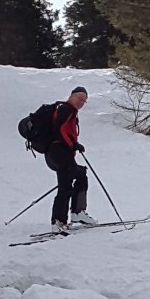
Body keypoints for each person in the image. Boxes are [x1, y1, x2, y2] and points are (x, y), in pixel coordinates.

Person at [45, 86, 90, 231]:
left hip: (58, 154)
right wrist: (72, 144)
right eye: (80, 98)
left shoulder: (70, 111)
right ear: (72, 96)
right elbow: (60, 129)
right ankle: (58, 221)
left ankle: (78, 212)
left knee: (81, 174)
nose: (81, 102)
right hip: (58, 152)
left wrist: (73, 145)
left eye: (84, 101)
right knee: (65, 186)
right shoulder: (66, 109)